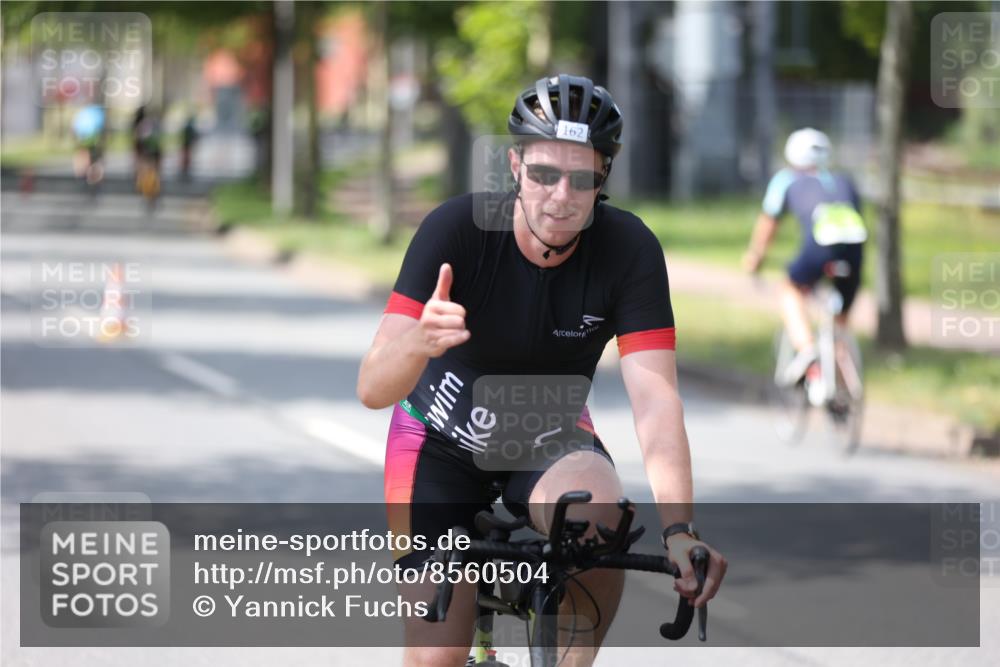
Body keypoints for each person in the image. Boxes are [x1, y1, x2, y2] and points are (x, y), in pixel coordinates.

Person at [357, 74, 727, 667]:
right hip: (437, 446)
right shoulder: (455, 230)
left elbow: (656, 399)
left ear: (605, 176)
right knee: (434, 659)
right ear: (515, 164)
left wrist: (679, 529)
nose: (561, 196)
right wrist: (419, 343)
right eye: (545, 174)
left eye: (584, 179)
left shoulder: (629, 250)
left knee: (602, 517)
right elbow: (372, 388)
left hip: (547, 437)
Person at [743, 128, 867, 394]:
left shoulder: (786, 180)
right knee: (840, 322)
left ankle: (808, 349)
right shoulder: (844, 180)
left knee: (788, 288)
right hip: (855, 250)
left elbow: (768, 222)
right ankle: (845, 390)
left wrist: (755, 257)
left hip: (819, 247)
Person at [71, 103, 105, 187]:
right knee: (95, 160)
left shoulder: (81, 116)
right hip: (94, 141)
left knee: (85, 156)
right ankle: (93, 177)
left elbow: (74, 128)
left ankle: (83, 174)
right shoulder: (98, 114)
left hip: (85, 140)